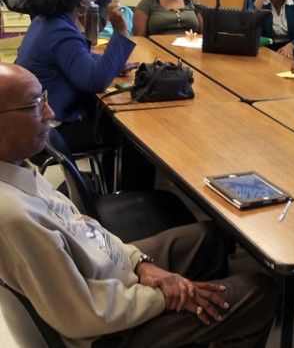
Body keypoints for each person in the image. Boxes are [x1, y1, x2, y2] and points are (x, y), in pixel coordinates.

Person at [0, 62, 278, 348]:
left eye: (44, 99)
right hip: (106, 333)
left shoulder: (19, 168)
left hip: (108, 276)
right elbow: (82, 314)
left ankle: (202, 328)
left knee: (208, 238)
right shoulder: (14, 216)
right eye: (35, 105)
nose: (50, 113)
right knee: (260, 292)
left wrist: (140, 263)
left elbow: (85, 227)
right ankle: (207, 317)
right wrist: (165, 295)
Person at [15, 0, 135, 155]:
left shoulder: (44, 21)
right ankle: (119, 183)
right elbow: (96, 81)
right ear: (80, 2)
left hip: (31, 118)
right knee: (127, 132)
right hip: (51, 126)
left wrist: (109, 64)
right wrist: (120, 32)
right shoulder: (61, 32)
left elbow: (79, 57)